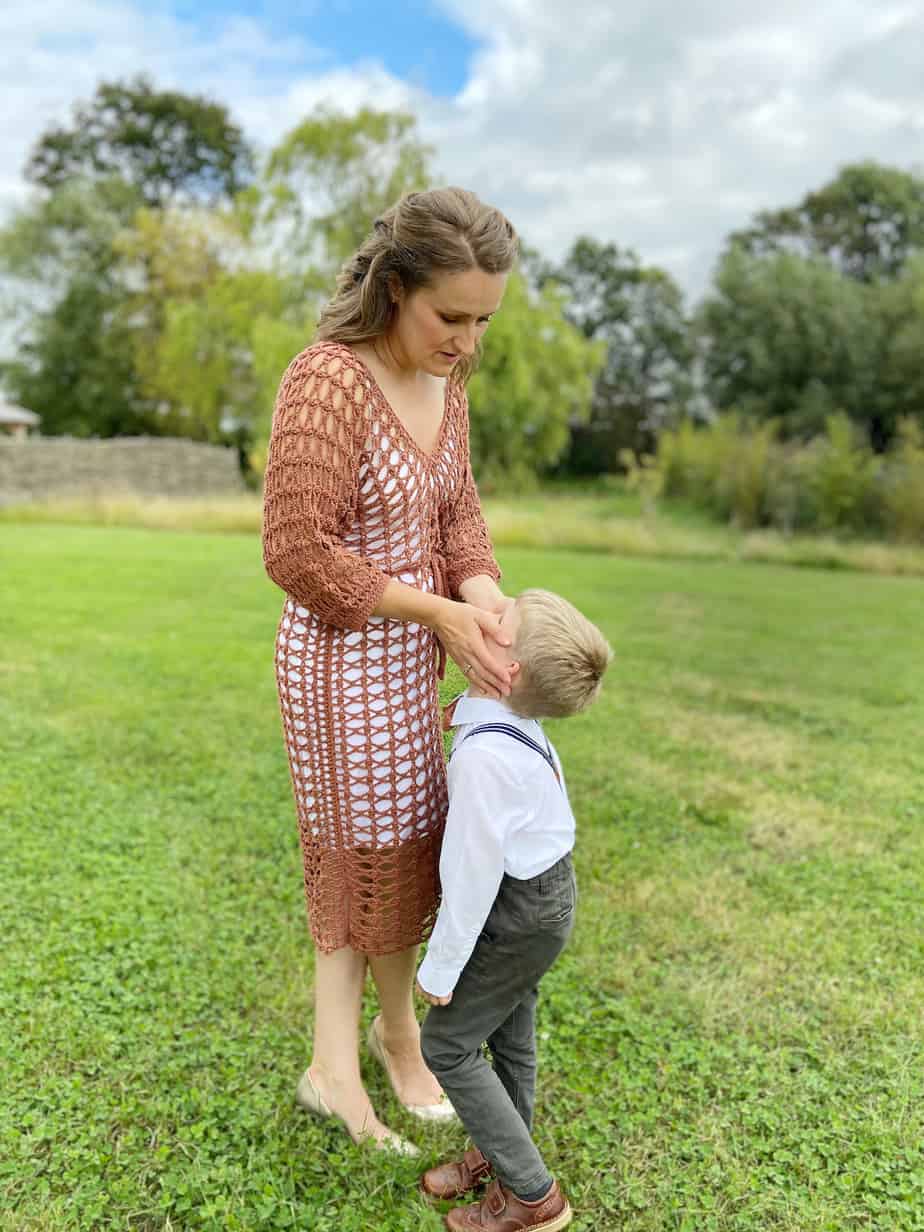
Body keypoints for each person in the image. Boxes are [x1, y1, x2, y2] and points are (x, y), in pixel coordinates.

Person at [261, 187, 521, 1153]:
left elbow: (457, 516)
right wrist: (438, 609)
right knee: (360, 855)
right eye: (450, 316)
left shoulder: (448, 388)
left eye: (484, 319)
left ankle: (380, 1041)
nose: (467, 341)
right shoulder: (327, 381)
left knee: (410, 847)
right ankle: (362, 1055)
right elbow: (296, 551)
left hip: (415, 656)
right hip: (338, 663)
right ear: (394, 286)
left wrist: (483, 594)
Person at [416, 588, 612, 1230]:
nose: (489, 611)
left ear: (510, 671)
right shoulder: (505, 721)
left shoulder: (486, 759)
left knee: (446, 1047)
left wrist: (441, 969)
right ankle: (499, 1153)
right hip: (544, 898)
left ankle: (532, 1196)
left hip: (517, 909)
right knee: (511, 1034)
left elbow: (470, 874)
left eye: (501, 620)